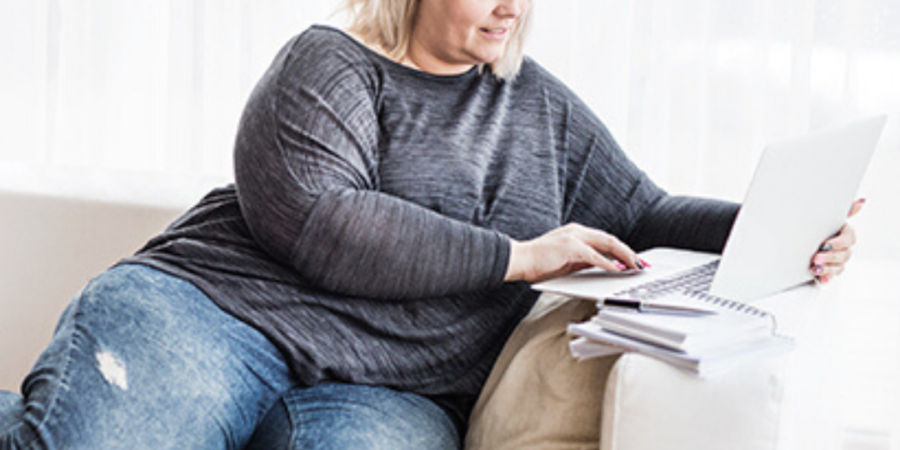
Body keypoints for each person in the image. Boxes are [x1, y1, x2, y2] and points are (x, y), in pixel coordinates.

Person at [0, 0, 861, 449]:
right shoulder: (329, 63)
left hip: (391, 392)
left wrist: (780, 225)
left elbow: (644, 210)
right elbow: (323, 223)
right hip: (217, 317)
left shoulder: (540, 109)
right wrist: (519, 257)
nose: (511, 8)